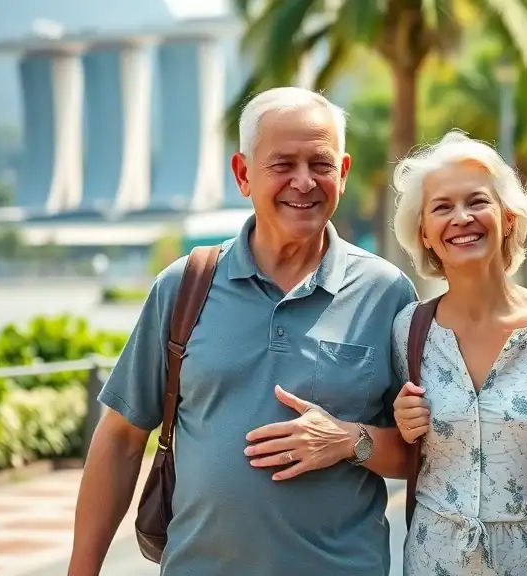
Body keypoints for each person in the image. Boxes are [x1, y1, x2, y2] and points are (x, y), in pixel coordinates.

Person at [68, 87, 417, 575]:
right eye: (282, 165)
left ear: (343, 172)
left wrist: (349, 439)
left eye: (320, 164)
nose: (304, 182)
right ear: (243, 174)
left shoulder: (387, 293)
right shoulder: (183, 287)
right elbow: (120, 440)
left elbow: (420, 453)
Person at [389, 131, 527, 575]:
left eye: (477, 202)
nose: (461, 218)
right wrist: (400, 425)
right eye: (442, 207)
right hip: (434, 559)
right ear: (423, 232)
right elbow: (397, 450)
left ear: (509, 217)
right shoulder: (408, 330)